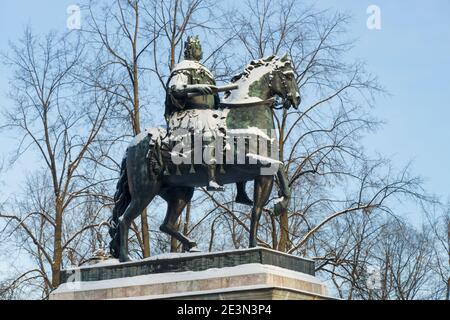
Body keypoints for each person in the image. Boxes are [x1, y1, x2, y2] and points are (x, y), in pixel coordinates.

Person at [164, 36, 253, 204]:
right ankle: (211, 177)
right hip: (188, 115)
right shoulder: (183, 68)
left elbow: (216, 101)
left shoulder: (206, 71)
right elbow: (174, 88)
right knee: (210, 128)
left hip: (210, 113)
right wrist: (196, 88)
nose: (201, 51)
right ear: (190, 50)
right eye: (198, 47)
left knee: (236, 132)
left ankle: (241, 190)